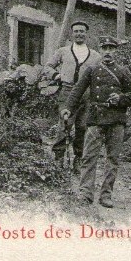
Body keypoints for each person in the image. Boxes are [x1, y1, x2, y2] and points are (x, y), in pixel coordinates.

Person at [61, 36, 131, 208]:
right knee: (89, 157)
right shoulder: (92, 70)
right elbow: (77, 90)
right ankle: (85, 193)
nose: (108, 52)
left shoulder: (122, 71)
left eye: (111, 49)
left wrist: (120, 98)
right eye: (105, 48)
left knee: (112, 159)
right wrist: (68, 107)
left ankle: (106, 195)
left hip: (116, 119)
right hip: (96, 118)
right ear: (100, 50)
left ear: (116, 51)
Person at [46, 20, 101, 165]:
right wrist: (56, 76)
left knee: (83, 127)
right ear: (72, 33)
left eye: (82, 31)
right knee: (65, 124)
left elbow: (100, 75)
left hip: (86, 94)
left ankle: (78, 160)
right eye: (76, 31)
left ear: (86, 34)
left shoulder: (95, 55)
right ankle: (58, 159)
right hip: (67, 91)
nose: (79, 34)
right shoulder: (63, 51)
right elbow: (48, 67)